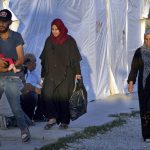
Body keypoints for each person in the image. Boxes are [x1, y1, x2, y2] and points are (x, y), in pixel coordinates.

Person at [40, 18, 82, 129]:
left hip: (66, 73)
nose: (54, 31)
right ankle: (52, 118)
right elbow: (44, 59)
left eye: (57, 29)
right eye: (52, 29)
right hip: (51, 73)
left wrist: (78, 73)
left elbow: (75, 59)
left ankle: (64, 121)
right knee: (47, 94)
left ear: (61, 29)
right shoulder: (49, 40)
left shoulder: (69, 41)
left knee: (63, 97)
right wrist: (42, 76)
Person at [0, 9, 32, 142]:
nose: (1, 24)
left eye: (4, 21)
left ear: (10, 22)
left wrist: (8, 65)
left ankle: (24, 129)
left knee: (15, 108)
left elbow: (21, 58)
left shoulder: (16, 37)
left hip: (12, 77)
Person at [128, 29, 150, 141]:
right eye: (146, 39)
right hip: (143, 86)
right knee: (144, 109)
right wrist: (131, 82)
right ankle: (146, 135)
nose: (148, 42)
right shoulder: (139, 52)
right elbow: (134, 68)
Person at [20, 53, 42, 121]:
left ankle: (38, 117)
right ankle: (28, 117)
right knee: (31, 95)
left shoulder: (35, 72)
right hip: (25, 95)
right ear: (27, 62)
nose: (36, 64)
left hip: (35, 91)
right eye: (34, 61)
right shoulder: (22, 72)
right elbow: (26, 88)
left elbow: (41, 83)